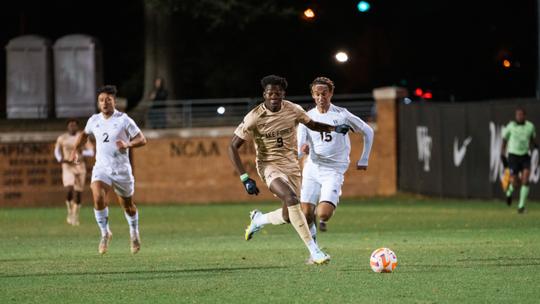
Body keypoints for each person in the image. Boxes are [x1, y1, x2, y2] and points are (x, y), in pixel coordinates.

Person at [228, 75, 351, 265]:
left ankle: (259, 219)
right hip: (269, 165)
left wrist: (334, 129)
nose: (274, 97)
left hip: (291, 166)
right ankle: (315, 251)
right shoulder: (254, 117)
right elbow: (232, 147)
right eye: (270, 93)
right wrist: (245, 178)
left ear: (283, 94)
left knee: (288, 215)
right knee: (291, 198)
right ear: (264, 94)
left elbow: (313, 125)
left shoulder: (293, 110)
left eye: (278, 93)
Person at [69, 85, 147, 254]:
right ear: (98, 102)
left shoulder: (124, 119)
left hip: (121, 170)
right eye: (101, 100)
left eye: (108, 100)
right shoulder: (94, 120)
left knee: (128, 206)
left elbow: (142, 139)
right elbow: (84, 135)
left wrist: (127, 144)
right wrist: (75, 150)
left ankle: (134, 232)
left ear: (114, 102)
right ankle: (105, 233)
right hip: (101, 168)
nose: (104, 103)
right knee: (97, 197)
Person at [297, 77, 373, 243]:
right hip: (312, 168)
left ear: (330, 93)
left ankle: (325, 204)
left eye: (324, 94)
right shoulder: (306, 118)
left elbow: (368, 131)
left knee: (323, 214)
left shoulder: (342, 114)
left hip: (334, 170)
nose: (320, 98)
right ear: (312, 95)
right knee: (305, 214)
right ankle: (314, 251)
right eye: (317, 94)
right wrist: (302, 150)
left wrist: (364, 159)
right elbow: (299, 147)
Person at [54, 119, 94, 226]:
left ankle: (75, 215)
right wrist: (60, 159)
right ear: (67, 127)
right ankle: (69, 211)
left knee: (79, 193)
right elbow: (56, 151)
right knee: (69, 188)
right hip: (67, 165)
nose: (72, 127)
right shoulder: (62, 138)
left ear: (77, 127)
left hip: (79, 165)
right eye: (70, 125)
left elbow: (91, 152)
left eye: (74, 125)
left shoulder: (82, 137)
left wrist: (83, 152)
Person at [501, 107, 537, 214]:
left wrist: (536, 146)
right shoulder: (511, 126)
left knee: (525, 179)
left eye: (521, 115)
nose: (519, 116)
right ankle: (509, 191)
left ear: (524, 116)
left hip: (525, 155)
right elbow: (504, 141)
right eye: (517, 115)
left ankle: (521, 207)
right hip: (513, 156)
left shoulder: (530, 126)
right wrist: (502, 154)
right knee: (515, 182)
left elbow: (533, 140)